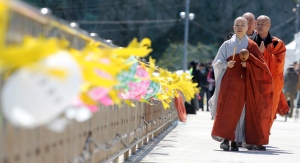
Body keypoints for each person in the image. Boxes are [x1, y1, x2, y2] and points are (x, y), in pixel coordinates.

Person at [209, 17, 273, 151]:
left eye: (243, 25)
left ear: (248, 27)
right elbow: (216, 63)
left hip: (245, 81)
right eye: (237, 25)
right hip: (230, 81)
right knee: (228, 110)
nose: (240, 27)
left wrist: (248, 64)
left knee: (242, 112)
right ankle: (226, 139)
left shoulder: (252, 45)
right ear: (233, 28)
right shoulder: (226, 44)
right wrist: (227, 64)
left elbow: (262, 66)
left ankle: (236, 141)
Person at [253, 15, 289, 127]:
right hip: (254, 81)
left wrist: (265, 54)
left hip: (271, 83)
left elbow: (278, 65)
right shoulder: (250, 42)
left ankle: (261, 138)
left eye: (263, 24)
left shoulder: (277, 43)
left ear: (269, 26)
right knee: (251, 110)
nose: (260, 26)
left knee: (267, 111)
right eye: (258, 23)